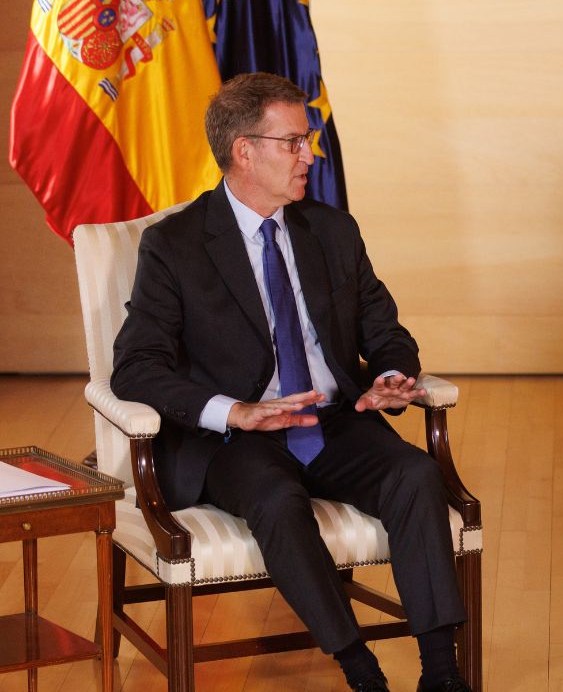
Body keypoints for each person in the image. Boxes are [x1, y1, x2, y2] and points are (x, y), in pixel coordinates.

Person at [112, 72, 471, 692]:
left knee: (416, 475)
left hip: (334, 421)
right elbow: (136, 364)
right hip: (238, 441)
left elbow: (385, 328)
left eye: (307, 142)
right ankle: (361, 670)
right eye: (294, 142)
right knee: (278, 501)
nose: (310, 155)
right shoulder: (174, 246)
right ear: (243, 150)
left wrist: (390, 375)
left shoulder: (332, 231)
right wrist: (235, 411)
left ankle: (441, 673)